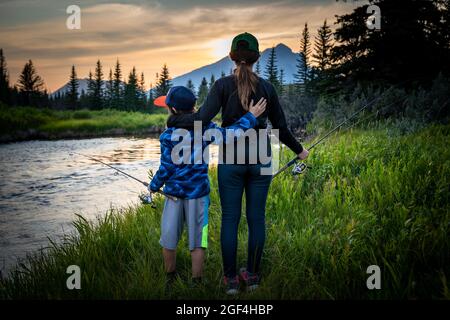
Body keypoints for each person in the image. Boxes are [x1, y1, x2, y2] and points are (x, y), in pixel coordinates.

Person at [166, 33, 309, 295]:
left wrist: (174, 122)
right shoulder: (267, 87)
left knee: (231, 218)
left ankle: (231, 280)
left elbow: (200, 120)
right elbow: (280, 128)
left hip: (231, 154)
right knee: (257, 218)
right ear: (256, 59)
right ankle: (253, 278)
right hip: (262, 153)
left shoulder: (221, 85)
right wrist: (300, 150)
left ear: (232, 56)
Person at [149, 85, 267, 288]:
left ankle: (169, 279)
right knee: (198, 239)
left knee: (168, 236)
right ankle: (197, 281)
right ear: (194, 107)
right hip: (199, 195)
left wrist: (153, 186)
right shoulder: (204, 128)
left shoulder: (167, 136)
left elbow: (166, 168)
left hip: (173, 195)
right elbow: (230, 135)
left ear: (174, 110)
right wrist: (251, 116)